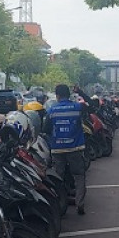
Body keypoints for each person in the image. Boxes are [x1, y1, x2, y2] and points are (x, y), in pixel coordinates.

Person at [42, 84, 87, 215]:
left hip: (58, 150)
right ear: (69, 95)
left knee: (58, 178)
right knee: (79, 176)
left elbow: (45, 129)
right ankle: (80, 203)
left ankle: (60, 205)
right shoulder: (77, 107)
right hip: (75, 148)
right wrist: (81, 92)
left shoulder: (51, 110)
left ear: (57, 96)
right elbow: (92, 106)